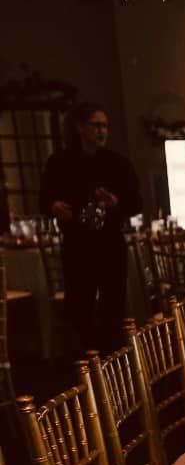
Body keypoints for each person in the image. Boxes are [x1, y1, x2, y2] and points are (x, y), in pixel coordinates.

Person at [39, 102, 141, 353]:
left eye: (105, 126)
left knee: (113, 306)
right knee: (80, 306)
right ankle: (87, 362)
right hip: (77, 245)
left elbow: (136, 203)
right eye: (96, 125)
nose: (102, 131)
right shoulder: (60, 162)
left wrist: (116, 202)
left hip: (110, 245)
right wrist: (54, 206)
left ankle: (113, 363)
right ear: (80, 128)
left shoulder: (118, 163)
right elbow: (43, 200)